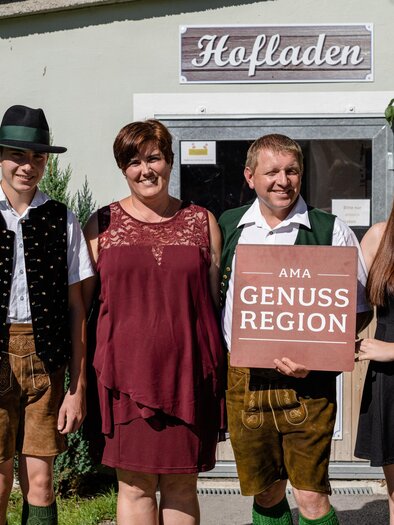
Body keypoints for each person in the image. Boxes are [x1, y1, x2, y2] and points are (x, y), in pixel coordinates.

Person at [219, 133, 372, 525]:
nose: (282, 181)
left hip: (310, 383)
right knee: (267, 491)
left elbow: (355, 310)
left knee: (312, 496)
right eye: (272, 172)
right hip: (245, 379)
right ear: (250, 176)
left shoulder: (331, 230)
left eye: (292, 171)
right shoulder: (228, 227)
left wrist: (317, 356)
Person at [83, 119, 225, 525]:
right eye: (133, 162)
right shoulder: (101, 225)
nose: (145, 170)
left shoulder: (203, 222)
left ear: (169, 161)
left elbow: (214, 304)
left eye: (154, 158)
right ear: (123, 169)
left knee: (182, 485)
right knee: (134, 486)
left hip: (188, 378)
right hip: (124, 379)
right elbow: (83, 310)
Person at [0, 105, 94, 525]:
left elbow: (77, 308)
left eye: (37, 157)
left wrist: (77, 387)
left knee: (40, 482)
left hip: (46, 357)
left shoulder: (63, 219)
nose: (28, 166)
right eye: (18, 155)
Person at [354, 201, 394, 525]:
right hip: (388, 381)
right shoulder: (380, 236)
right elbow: (346, 303)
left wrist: (392, 350)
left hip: (388, 358)